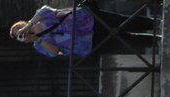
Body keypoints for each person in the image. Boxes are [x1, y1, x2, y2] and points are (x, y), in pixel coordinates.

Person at [11, 4, 157, 59]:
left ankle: (154, 24)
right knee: (122, 41)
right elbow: (54, 52)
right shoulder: (38, 45)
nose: (20, 32)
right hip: (87, 43)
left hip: (86, 20)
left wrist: (30, 24)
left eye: (18, 28)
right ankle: (155, 40)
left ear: (22, 23)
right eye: (18, 35)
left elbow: (46, 9)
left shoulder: (37, 18)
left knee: (121, 22)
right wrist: (36, 39)